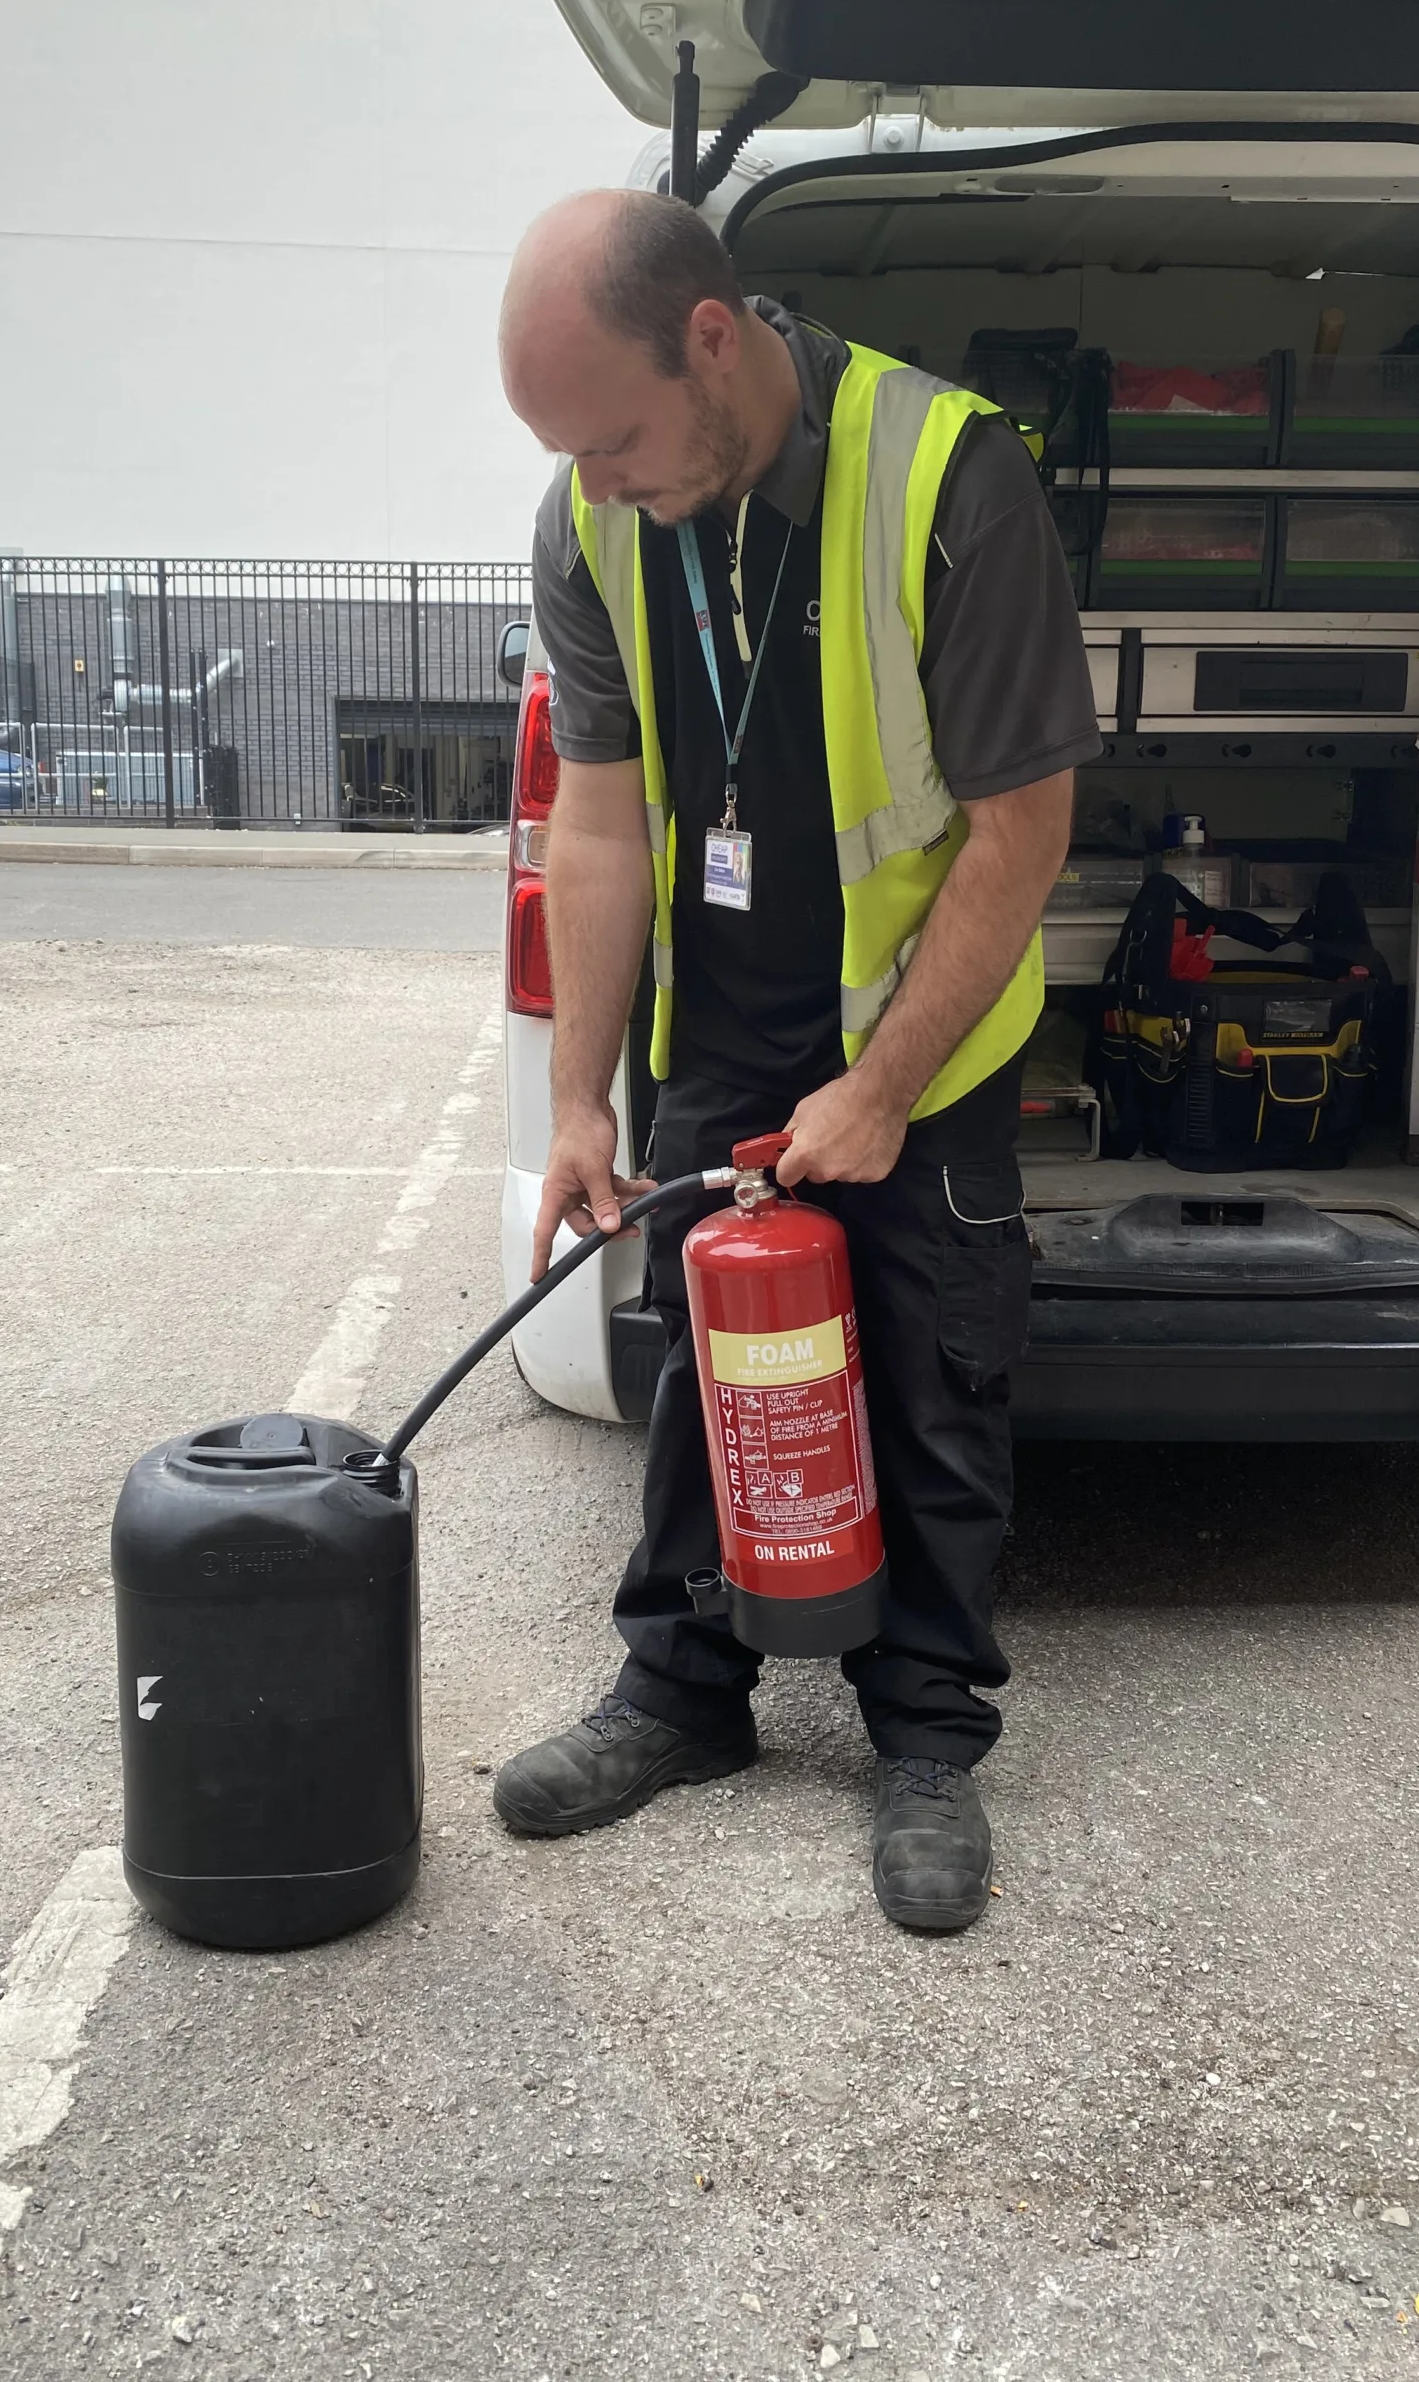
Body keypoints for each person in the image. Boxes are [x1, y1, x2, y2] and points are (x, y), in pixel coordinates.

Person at [491, 189, 1098, 1931]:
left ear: (711, 337)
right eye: (566, 456)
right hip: (727, 1035)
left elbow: (1022, 830)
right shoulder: (591, 519)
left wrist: (884, 1087)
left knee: (929, 1379)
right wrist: (582, 1097)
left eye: (612, 439)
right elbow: (596, 819)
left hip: (918, 1031)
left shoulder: (947, 478)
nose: (597, 485)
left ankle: (924, 1739)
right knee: (707, 1366)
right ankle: (684, 1694)